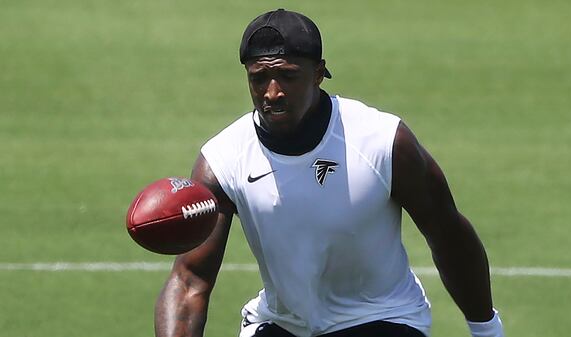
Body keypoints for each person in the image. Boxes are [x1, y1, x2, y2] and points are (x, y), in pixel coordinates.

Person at [155, 8, 505, 337]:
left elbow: (447, 233)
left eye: (288, 76)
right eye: (259, 78)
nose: (272, 92)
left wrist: (486, 328)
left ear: (319, 73)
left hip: (381, 316)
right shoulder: (224, 158)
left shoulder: (381, 141)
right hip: (283, 323)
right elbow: (190, 279)